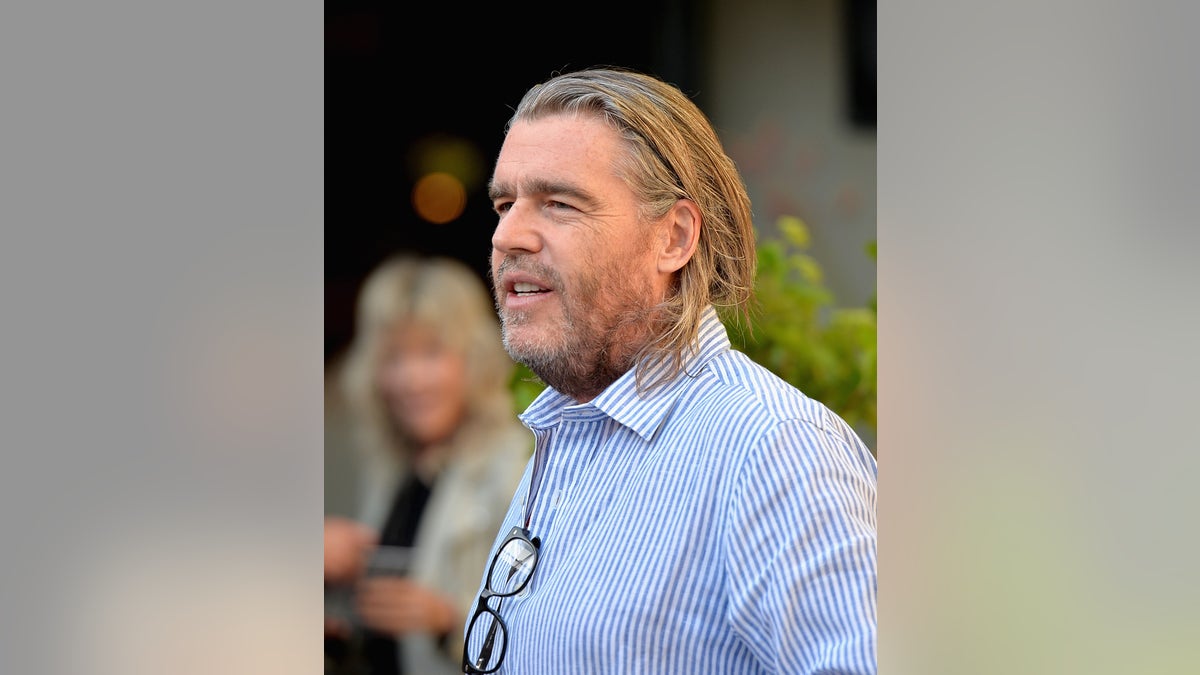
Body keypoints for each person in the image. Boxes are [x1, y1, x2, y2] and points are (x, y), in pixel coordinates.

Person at [459, 67, 878, 674]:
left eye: (559, 203)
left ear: (674, 238)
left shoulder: (773, 449)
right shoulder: (573, 429)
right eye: (505, 203)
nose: (509, 235)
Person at [324, 254, 532, 675]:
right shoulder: (394, 466)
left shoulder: (513, 465)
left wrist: (448, 622)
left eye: (432, 354)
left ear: (472, 360)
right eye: (394, 358)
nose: (411, 380)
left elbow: (546, 636)